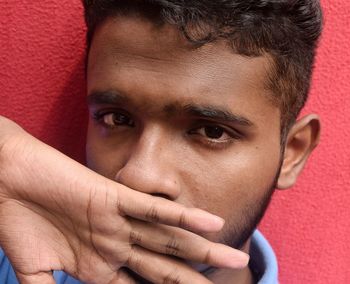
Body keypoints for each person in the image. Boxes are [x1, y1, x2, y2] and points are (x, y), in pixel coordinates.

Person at [0, 0, 323, 283]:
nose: (139, 176)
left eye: (211, 131)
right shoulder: (15, 257)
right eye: (117, 119)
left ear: (292, 154)